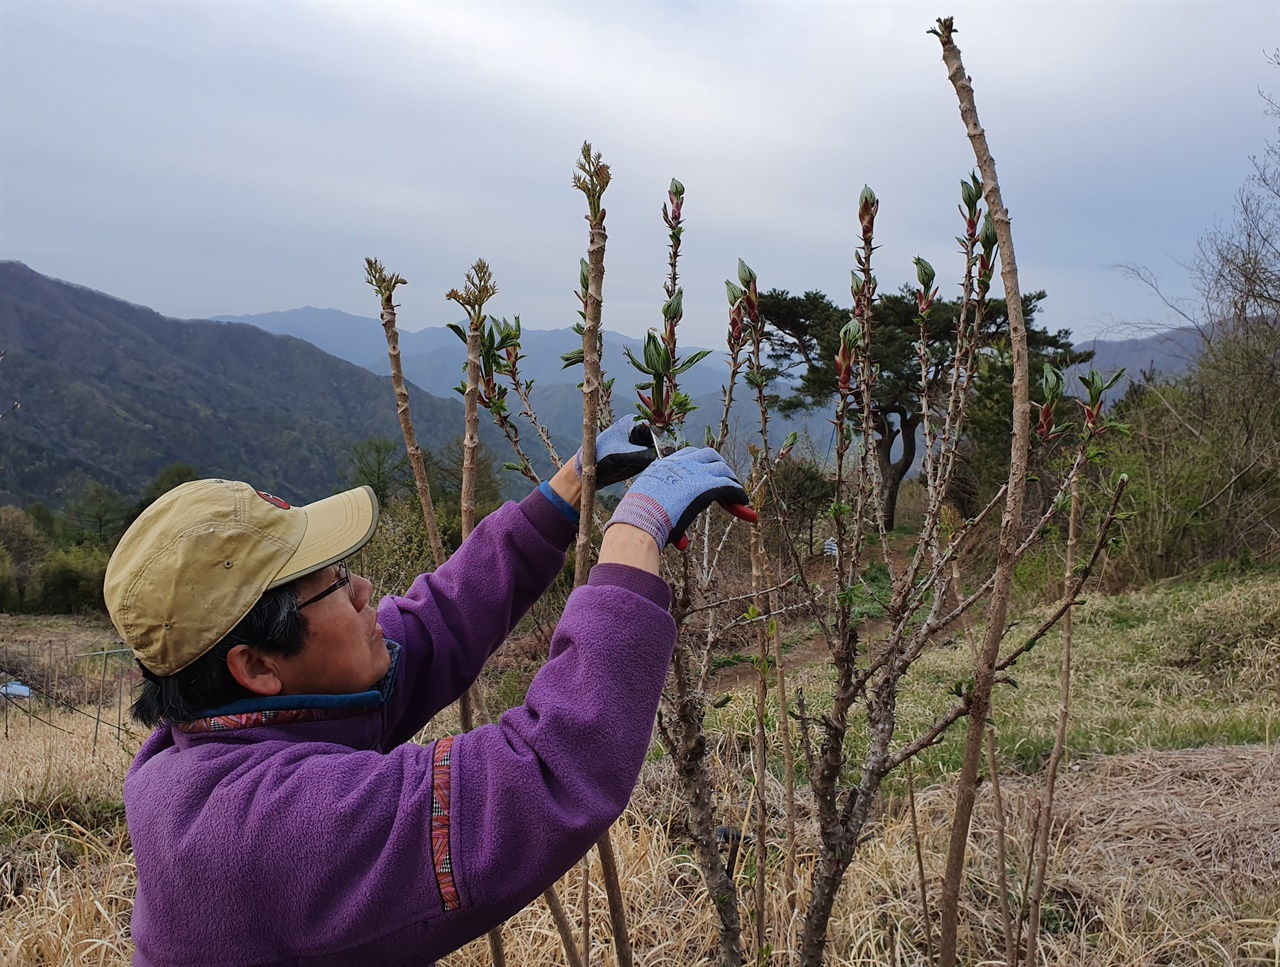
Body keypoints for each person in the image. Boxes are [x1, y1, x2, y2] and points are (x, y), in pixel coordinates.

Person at [104, 416, 754, 966]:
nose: (366, 592)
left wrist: (567, 491)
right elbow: (546, 773)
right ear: (256, 665)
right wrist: (632, 536)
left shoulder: (225, 733)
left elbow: (427, 628)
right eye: (333, 585)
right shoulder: (264, 830)